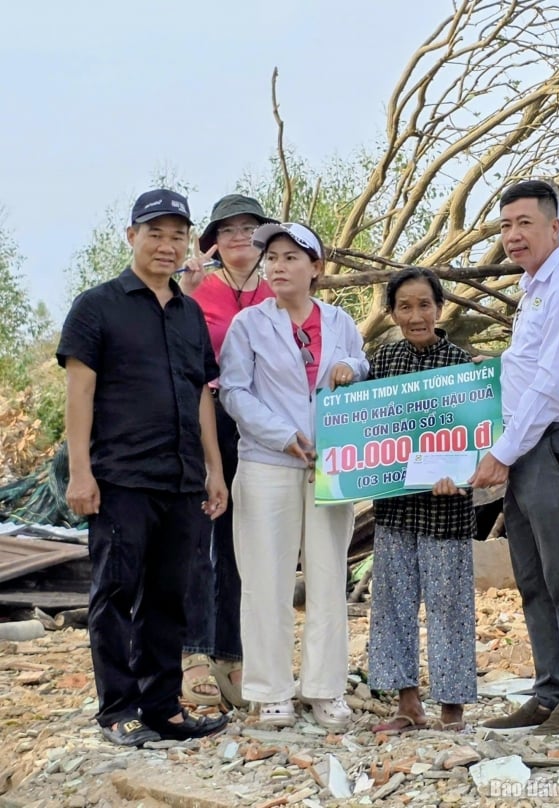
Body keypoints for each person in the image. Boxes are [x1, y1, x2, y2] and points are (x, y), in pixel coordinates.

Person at [57, 188, 230, 747]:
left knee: (170, 596)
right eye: (155, 233)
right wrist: (80, 472)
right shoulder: (97, 306)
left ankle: (162, 707)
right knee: (116, 592)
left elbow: (201, 394)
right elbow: (79, 393)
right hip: (120, 477)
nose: (166, 245)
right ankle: (118, 709)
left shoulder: (189, 313)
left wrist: (214, 469)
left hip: (181, 479)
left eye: (177, 235)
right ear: (132, 236)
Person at [218, 222, 369, 731]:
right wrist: (282, 435)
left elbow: (359, 365)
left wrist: (351, 367)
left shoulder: (340, 321)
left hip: (330, 465)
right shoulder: (248, 324)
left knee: (328, 575)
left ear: (316, 267)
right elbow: (234, 391)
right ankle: (271, 691)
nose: (277, 267)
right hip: (268, 462)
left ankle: (325, 688)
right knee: (266, 578)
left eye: (290, 257)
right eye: (272, 258)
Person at [471, 180, 559, 738]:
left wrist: (502, 452)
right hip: (528, 446)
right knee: (532, 577)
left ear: (554, 226)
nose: (513, 236)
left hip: (554, 444)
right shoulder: (534, 288)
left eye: (524, 223)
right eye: (505, 226)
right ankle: (549, 691)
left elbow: (551, 384)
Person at [366, 268, 478, 734]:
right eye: (405, 306)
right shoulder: (381, 363)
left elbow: (475, 434)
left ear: (440, 308)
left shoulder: (462, 364)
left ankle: (452, 709)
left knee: (450, 606)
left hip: (445, 509)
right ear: (392, 313)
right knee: (392, 604)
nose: (416, 316)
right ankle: (407, 704)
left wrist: (462, 474)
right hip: (394, 507)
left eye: (424, 305)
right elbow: (364, 428)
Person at [178, 194, 277, 710]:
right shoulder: (197, 290)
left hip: (262, 425)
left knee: (242, 540)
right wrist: (185, 293)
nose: (239, 238)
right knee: (199, 533)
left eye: (248, 228)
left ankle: (230, 653)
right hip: (206, 415)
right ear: (213, 241)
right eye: (228, 230)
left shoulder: (278, 289)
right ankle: (192, 651)